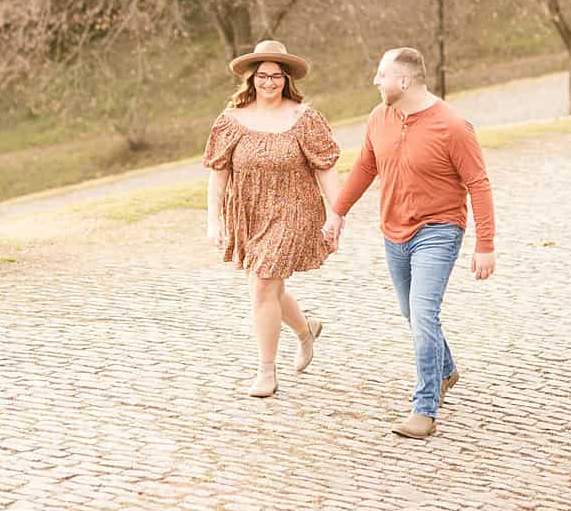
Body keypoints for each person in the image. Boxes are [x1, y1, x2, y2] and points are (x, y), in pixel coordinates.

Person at [322, 47, 496, 439]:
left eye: (380, 75)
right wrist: (338, 212)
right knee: (410, 311)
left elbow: (478, 185)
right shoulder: (378, 117)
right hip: (393, 232)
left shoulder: (452, 126)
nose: (375, 81)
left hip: (438, 230)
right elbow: (366, 167)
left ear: (403, 80)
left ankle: (425, 408)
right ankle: (446, 369)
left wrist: (485, 244)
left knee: (422, 312)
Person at [204, 39, 342, 398]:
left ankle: (266, 371)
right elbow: (218, 174)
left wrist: (337, 214)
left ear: (286, 79)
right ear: (251, 79)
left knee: (263, 285)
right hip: (249, 213)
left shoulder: (304, 117)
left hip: (294, 210)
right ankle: (304, 330)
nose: (269, 82)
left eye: (276, 76)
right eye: (263, 75)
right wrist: (214, 221)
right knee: (269, 286)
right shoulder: (231, 120)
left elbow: (326, 169)